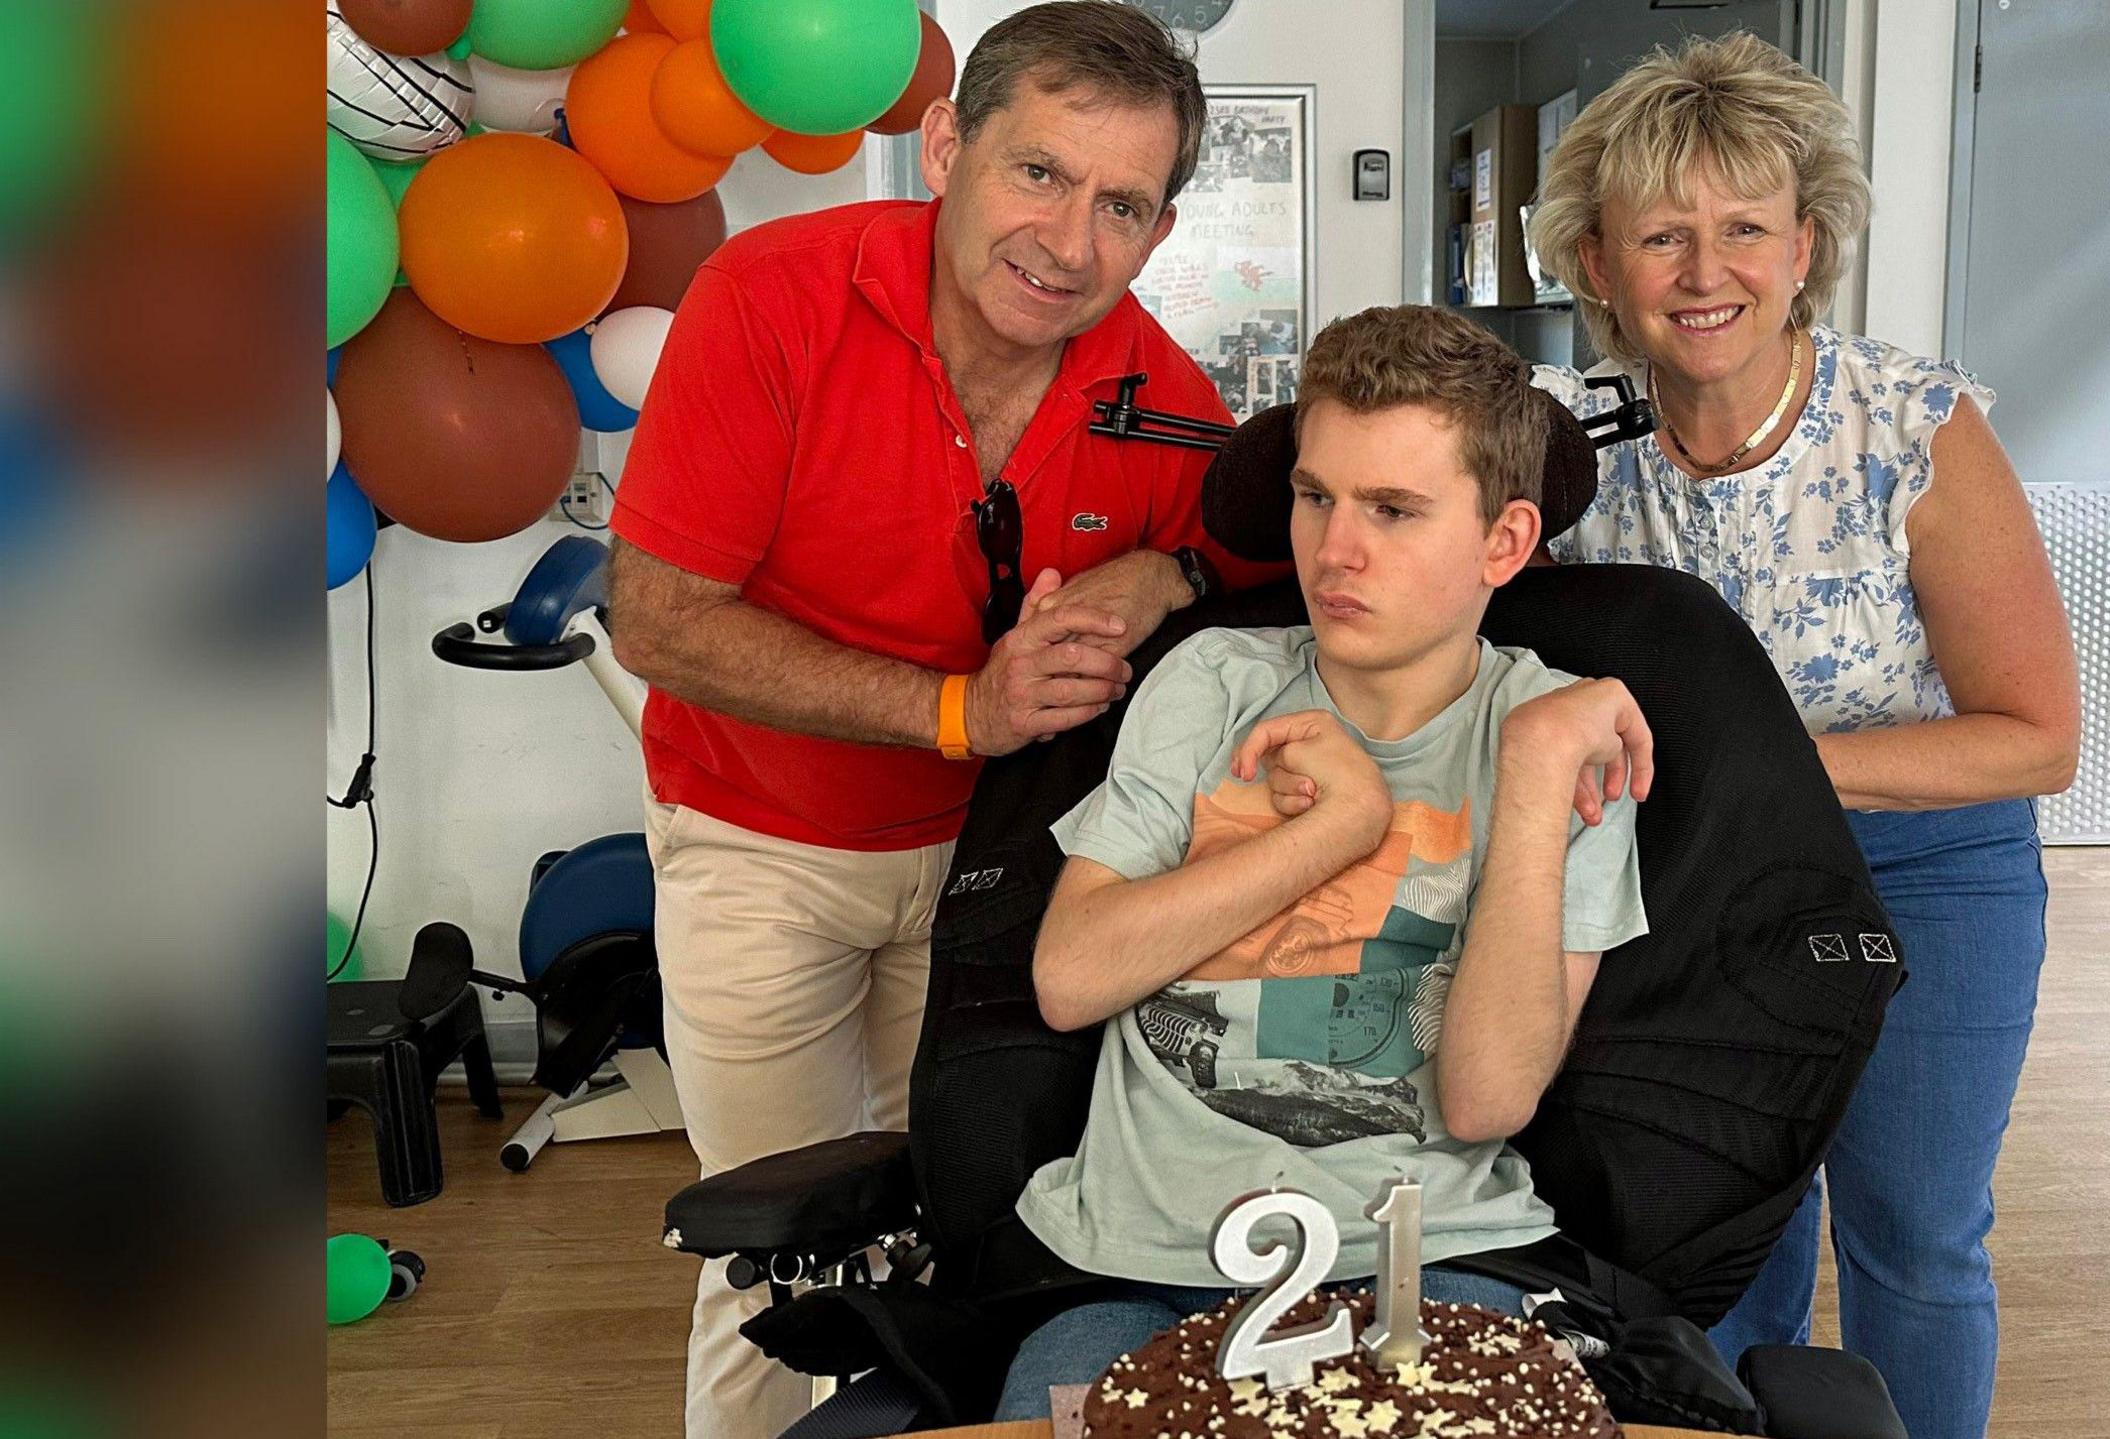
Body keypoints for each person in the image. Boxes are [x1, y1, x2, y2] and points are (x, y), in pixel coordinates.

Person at [602, 6, 1279, 1435]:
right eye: (1039, 173)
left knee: (963, 1227)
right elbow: (657, 618)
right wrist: (960, 705)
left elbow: (1267, 553)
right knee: (770, 1251)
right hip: (757, 840)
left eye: (1122, 205)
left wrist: (1166, 565)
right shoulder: (766, 293)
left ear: (1158, 232)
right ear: (946, 145)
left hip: (995, 873)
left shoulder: (1169, 399)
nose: (1070, 239)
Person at [1525, 33, 2081, 1439]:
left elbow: (2036, 737)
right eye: (1663, 235)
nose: (1705, 271)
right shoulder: (1582, 467)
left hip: (1927, 876)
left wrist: (1768, 770)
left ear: (1806, 244)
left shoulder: (1914, 428)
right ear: (1599, 264)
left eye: (1744, 230)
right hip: (1697, 883)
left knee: (1916, 1234)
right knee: (1717, 1230)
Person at [990, 305, 1655, 1419]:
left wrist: (1534, 782)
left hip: (1435, 1254)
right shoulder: (1214, 682)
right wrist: (1329, 832)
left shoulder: (1558, 736)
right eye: (1314, 497)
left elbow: (1489, 1093)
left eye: (1393, 510)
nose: (1333, 551)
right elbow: (1070, 976)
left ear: (1503, 541)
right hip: (1137, 1260)